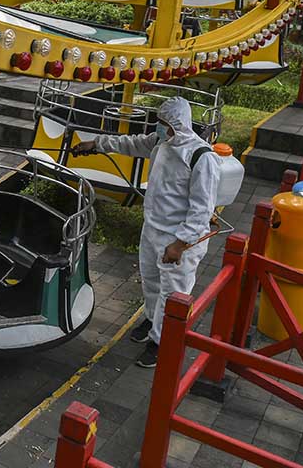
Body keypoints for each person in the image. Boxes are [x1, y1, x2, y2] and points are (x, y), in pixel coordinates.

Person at [73, 97, 220, 368]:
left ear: (178, 123)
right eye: (159, 123)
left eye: (164, 124)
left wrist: (180, 244)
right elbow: (130, 143)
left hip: (178, 239)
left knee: (173, 292)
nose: (159, 128)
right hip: (153, 229)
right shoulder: (160, 142)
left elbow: (201, 210)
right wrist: (96, 144)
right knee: (151, 281)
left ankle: (163, 343)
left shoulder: (202, 157)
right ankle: (153, 322)